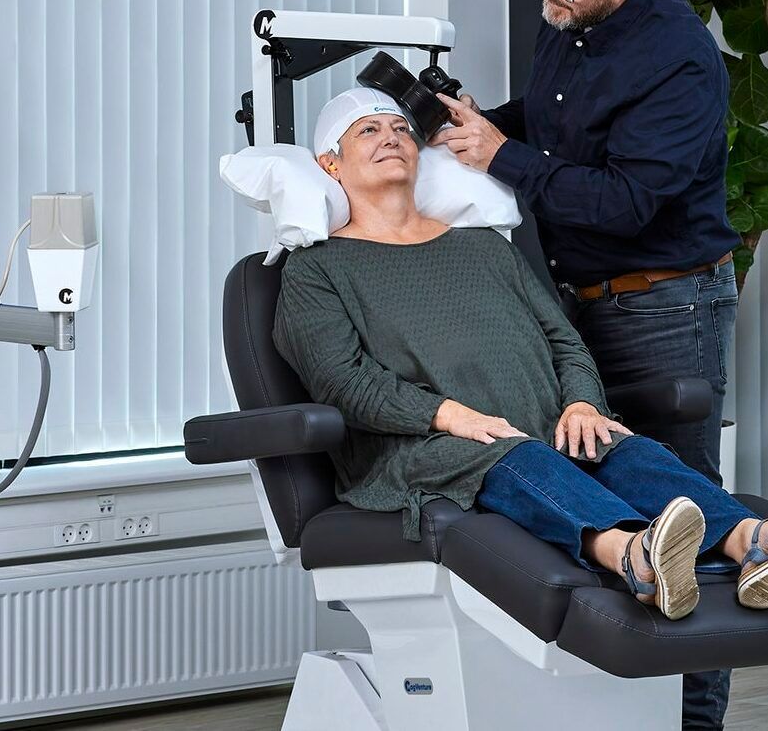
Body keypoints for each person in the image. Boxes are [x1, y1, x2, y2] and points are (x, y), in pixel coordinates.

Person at [272, 90, 768, 628]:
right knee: (513, 454)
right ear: (330, 164)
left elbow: (564, 340)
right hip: (424, 450)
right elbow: (345, 383)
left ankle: (753, 543)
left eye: (401, 129)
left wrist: (581, 402)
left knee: (623, 450)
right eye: (368, 130)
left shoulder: (484, 247)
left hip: (540, 430)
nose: (392, 137)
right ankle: (634, 556)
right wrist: (448, 415)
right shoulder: (315, 271)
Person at [428, 0, 741, 726]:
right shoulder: (573, 12)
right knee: (593, 481)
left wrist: (501, 159)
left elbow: (624, 202)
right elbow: (558, 116)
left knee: (685, 510)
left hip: (662, 304)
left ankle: (692, 724)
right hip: (578, 301)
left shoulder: (678, 62)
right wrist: (479, 127)